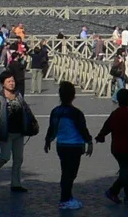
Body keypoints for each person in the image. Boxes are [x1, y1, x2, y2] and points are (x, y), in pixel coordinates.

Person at [44, 80, 94, 211]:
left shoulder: (55, 111)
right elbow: (83, 129)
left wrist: (48, 140)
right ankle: (65, 199)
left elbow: (51, 128)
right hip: (75, 146)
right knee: (71, 174)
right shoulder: (76, 113)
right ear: (73, 96)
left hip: (61, 145)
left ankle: (67, 196)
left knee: (65, 172)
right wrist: (89, 142)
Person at [0, 68, 37, 192]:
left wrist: (33, 121)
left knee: (18, 159)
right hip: (6, 133)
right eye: (9, 81)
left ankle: (15, 184)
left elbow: (26, 109)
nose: (12, 83)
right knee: (5, 157)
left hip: (19, 132)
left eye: (13, 81)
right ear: (3, 83)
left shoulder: (18, 95)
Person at [97, 88, 128, 205]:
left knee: (126, 170)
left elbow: (107, 126)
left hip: (116, 147)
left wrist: (101, 136)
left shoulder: (115, 113)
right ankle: (113, 191)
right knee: (126, 173)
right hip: (126, 148)